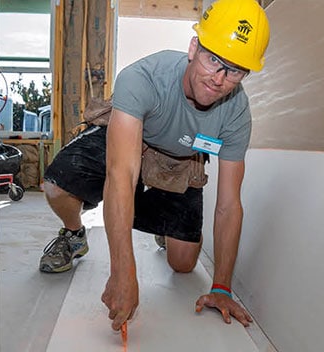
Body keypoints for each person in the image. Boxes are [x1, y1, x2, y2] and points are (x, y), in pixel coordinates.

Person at [37, 0, 270, 331]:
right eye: (212, 59)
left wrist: (220, 287)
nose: (218, 78)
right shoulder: (144, 78)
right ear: (193, 48)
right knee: (56, 185)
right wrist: (123, 272)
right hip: (131, 139)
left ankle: (163, 228)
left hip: (180, 159)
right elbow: (122, 175)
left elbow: (229, 206)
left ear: (245, 74)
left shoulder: (236, 114)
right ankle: (74, 234)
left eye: (233, 70)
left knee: (184, 264)